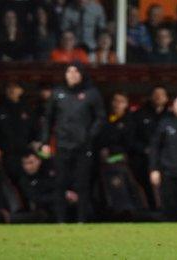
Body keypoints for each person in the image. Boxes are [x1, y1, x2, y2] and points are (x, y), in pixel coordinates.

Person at [40, 62, 105, 222]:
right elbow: (48, 119)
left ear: (81, 74)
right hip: (62, 145)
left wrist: (89, 136)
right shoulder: (57, 93)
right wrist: (45, 142)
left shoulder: (91, 93)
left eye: (76, 71)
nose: (72, 74)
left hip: (83, 146)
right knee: (60, 183)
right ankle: (60, 220)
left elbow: (100, 118)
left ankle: (82, 219)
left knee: (82, 184)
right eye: (69, 71)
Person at [130, 86, 171, 210]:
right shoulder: (139, 114)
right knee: (147, 190)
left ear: (167, 98)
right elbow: (131, 139)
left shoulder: (171, 117)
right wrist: (145, 150)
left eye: (162, 94)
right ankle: (151, 213)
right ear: (150, 96)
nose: (159, 97)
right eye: (156, 94)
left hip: (166, 161)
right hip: (144, 161)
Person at [0, 82, 36, 185]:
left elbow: (35, 129)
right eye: (10, 88)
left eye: (15, 87)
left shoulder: (27, 108)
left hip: (25, 154)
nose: (12, 90)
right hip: (5, 154)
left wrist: (35, 143)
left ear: (21, 90)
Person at [18, 152, 57, 222]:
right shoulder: (24, 180)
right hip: (41, 210)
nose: (28, 167)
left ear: (39, 161)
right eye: (25, 163)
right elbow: (36, 198)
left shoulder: (48, 172)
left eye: (31, 162)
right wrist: (59, 197)